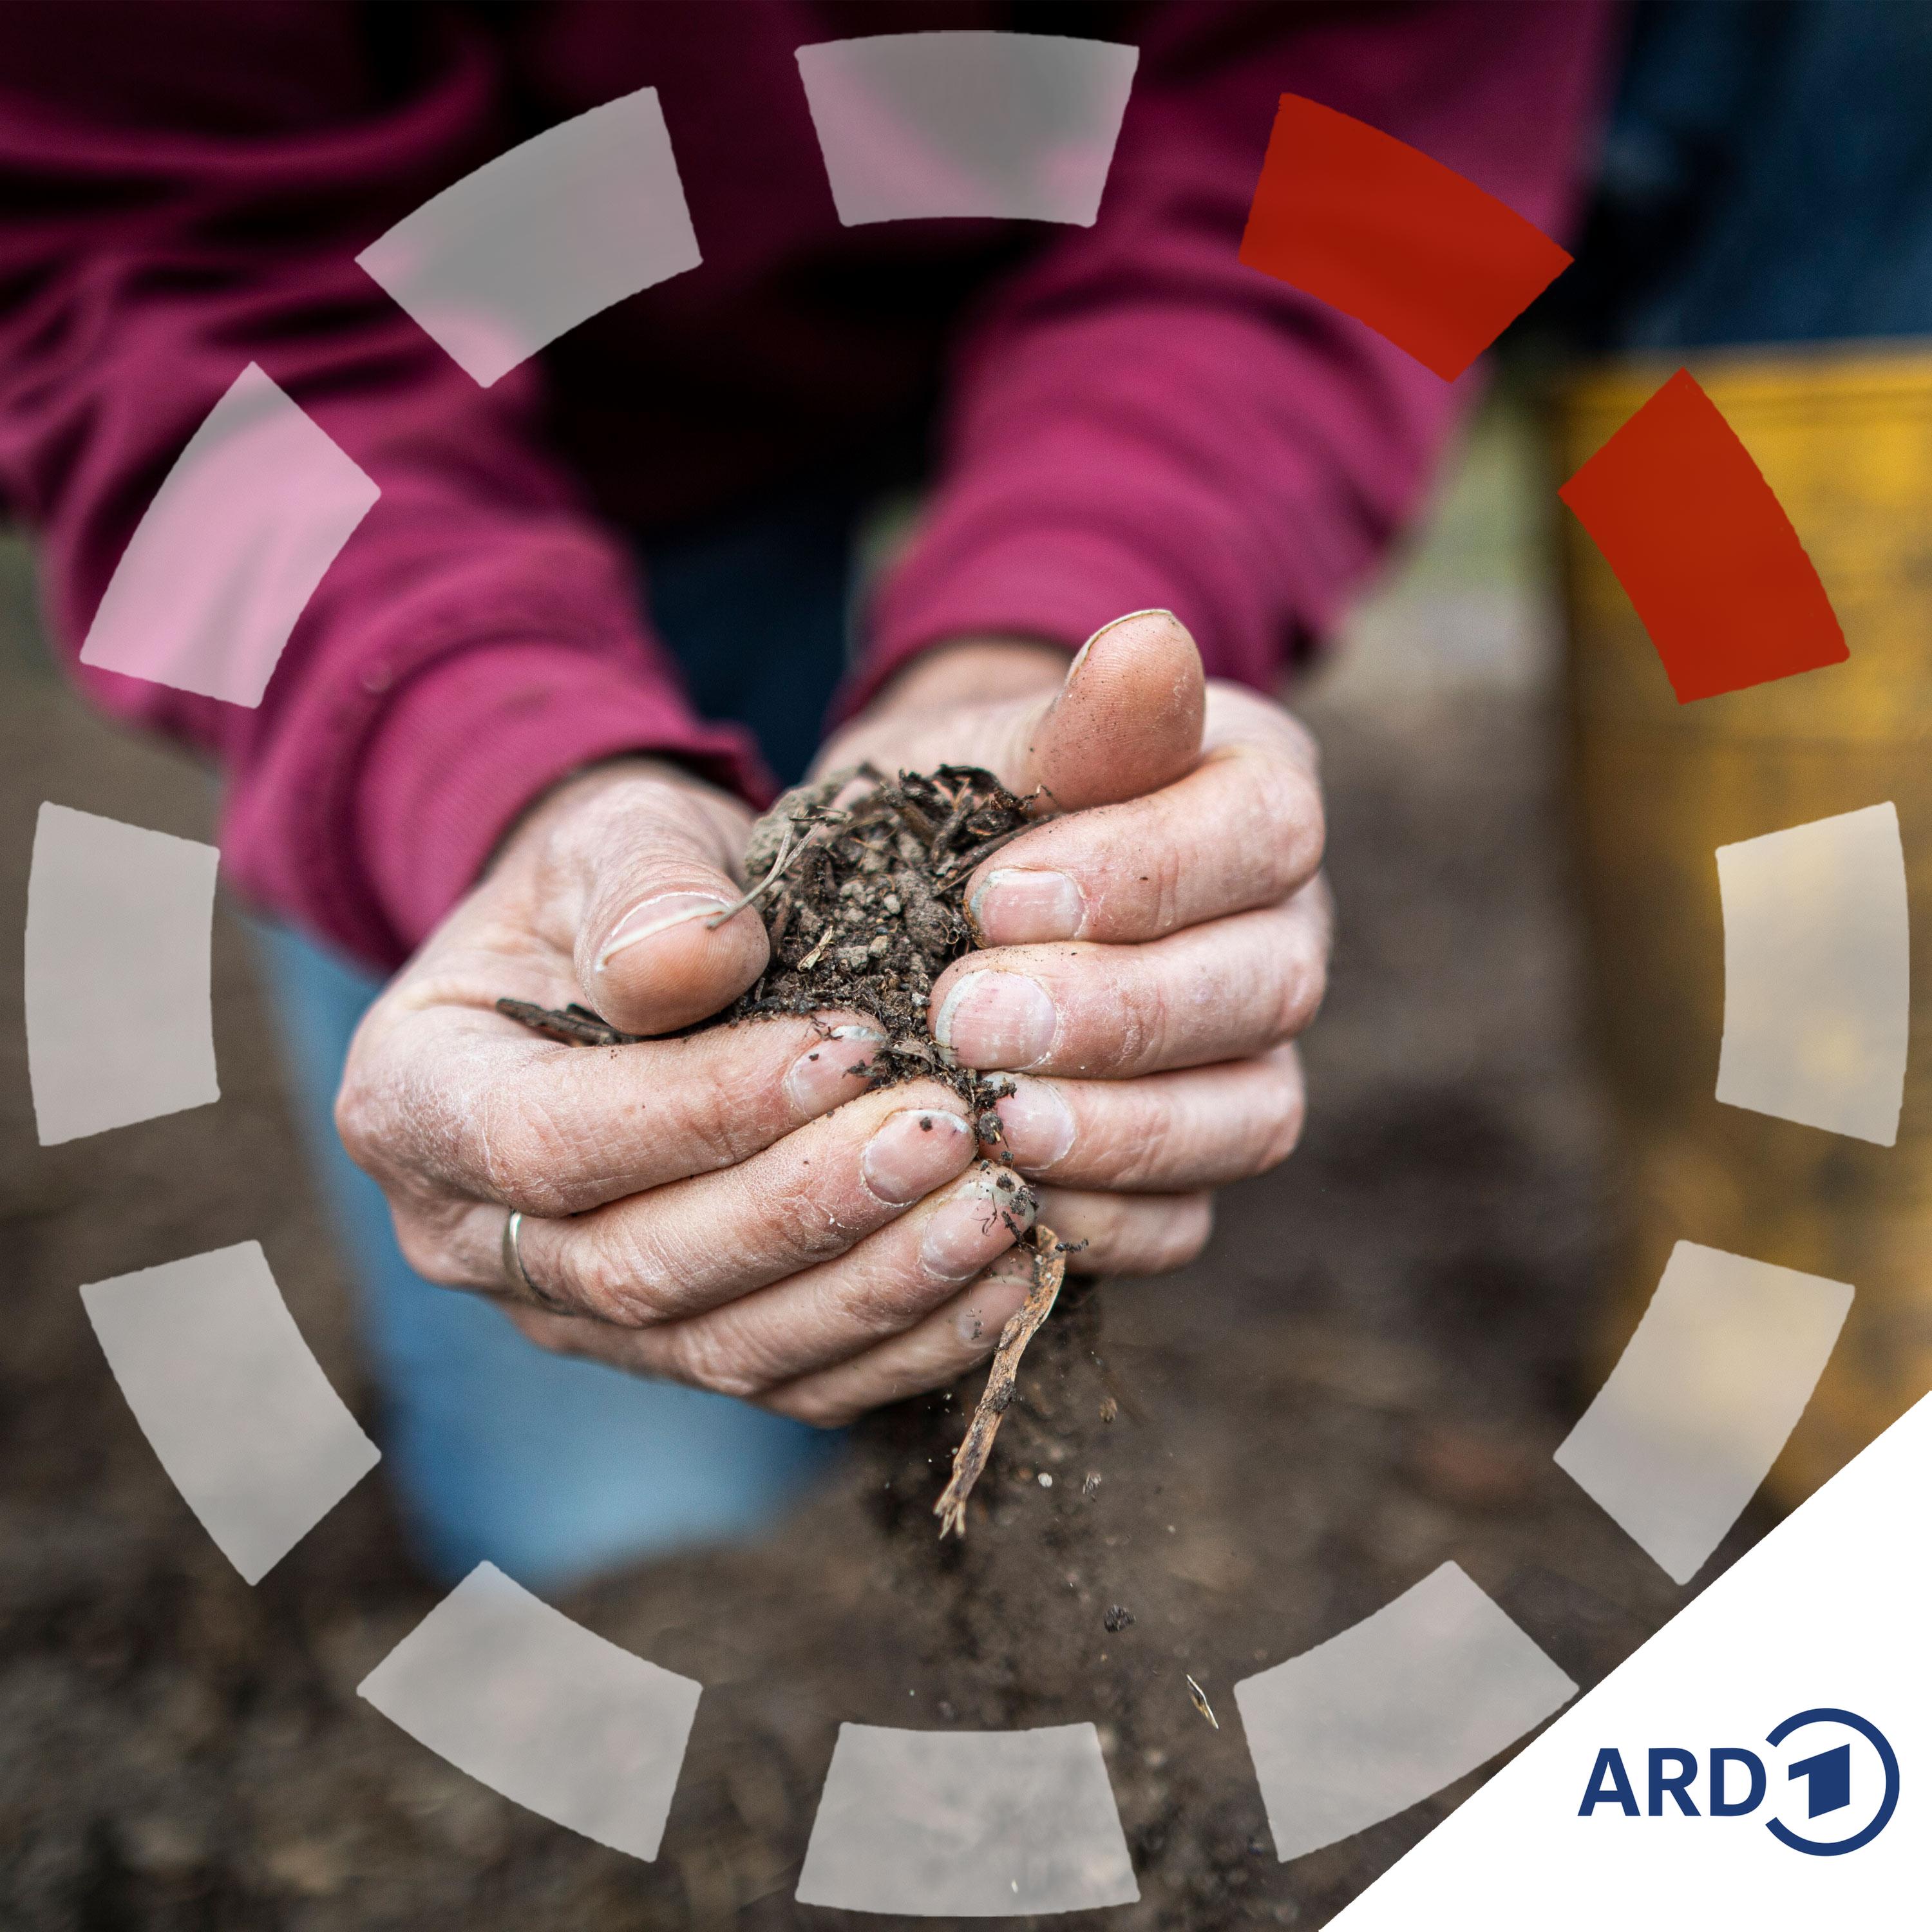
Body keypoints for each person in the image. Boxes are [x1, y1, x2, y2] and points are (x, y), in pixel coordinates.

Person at [0, 1, 1610, 1585]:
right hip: (536, 413)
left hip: (1153, 268)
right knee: (622, 1516)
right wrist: (483, 749)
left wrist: (1057, 632)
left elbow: (1347, 166)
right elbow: (150, 272)